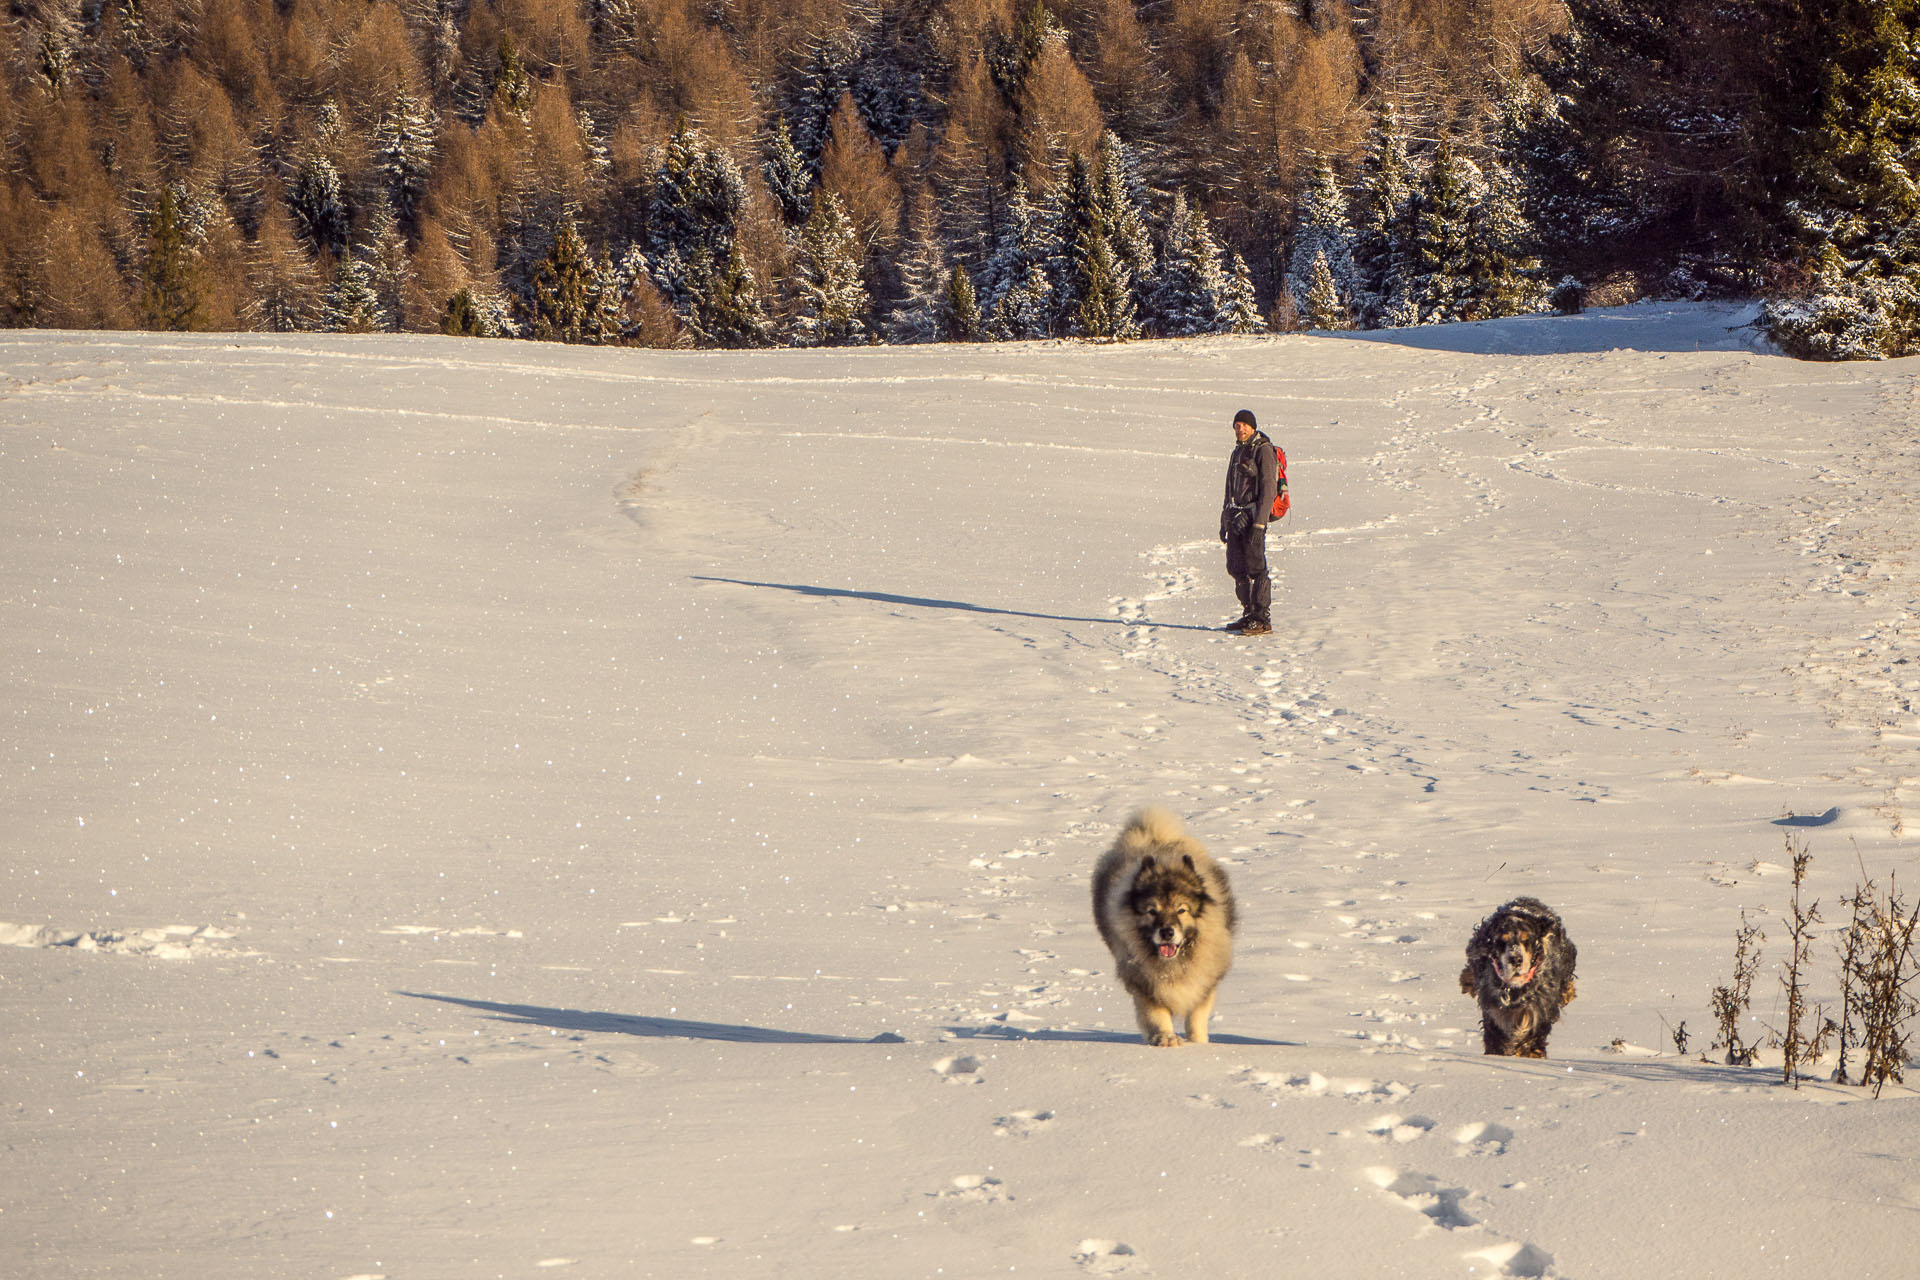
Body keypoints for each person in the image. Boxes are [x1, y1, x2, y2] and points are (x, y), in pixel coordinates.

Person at [1219, 408, 1279, 635]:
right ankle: (1249, 613)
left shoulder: (1263, 450)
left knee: (1256, 567)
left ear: (1253, 427)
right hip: (1235, 517)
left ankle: (1262, 618)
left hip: (1254, 518)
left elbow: (1269, 490)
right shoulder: (1237, 452)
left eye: (1244, 425)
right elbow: (1228, 488)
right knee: (1235, 567)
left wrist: (1260, 524)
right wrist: (1224, 521)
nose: (1240, 429)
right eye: (1236, 425)